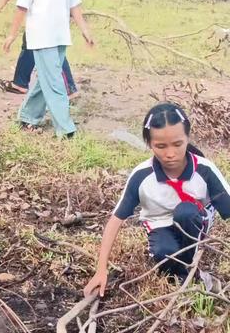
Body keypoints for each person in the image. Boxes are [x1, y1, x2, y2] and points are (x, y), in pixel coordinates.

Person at [84, 102, 230, 298]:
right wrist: (101, 270)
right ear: (149, 144)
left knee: (185, 212)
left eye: (178, 144)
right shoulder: (142, 176)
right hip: (159, 224)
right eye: (160, 146)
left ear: (187, 138)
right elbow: (115, 221)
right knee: (164, 254)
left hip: (195, 219)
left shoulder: (204, 170)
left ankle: (189, 266)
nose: (170, 153)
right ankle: (177, 272)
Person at [3, 0, 93, 137]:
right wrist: (12, 35)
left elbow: (74, 4)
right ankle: (66, 129)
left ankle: (28, 116)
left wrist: (85, 30)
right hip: (41, 37)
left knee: (47, 80)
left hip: (61, 35)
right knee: (55, 82)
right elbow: (22, 6)